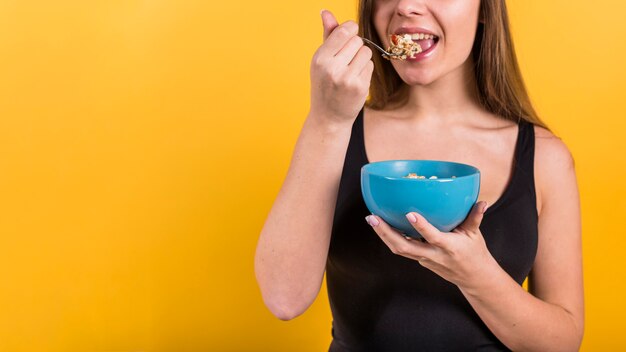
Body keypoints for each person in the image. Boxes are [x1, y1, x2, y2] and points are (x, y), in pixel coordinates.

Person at [255, 0, 584, 350]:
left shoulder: (544, 157)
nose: (407, 6)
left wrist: (475, 273)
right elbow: (283, 299)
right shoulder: (336, 131)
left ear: (485, 8)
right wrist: (327, 119)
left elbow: (562, 343)